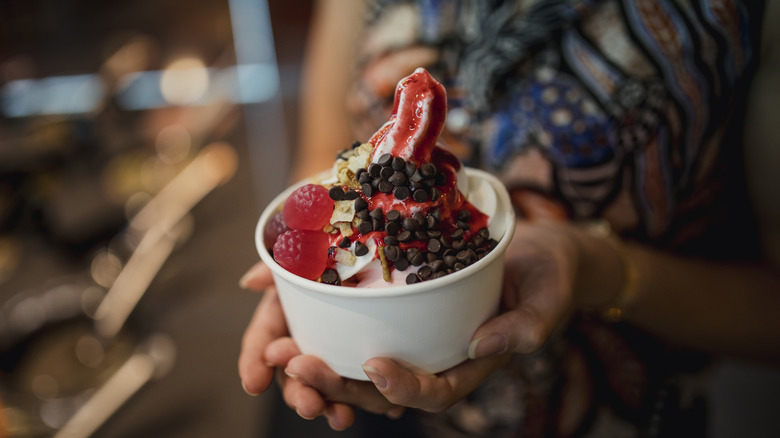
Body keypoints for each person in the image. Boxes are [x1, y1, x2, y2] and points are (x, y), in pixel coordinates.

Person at [239, 0, 780, 436]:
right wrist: (304, 278)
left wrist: (600, 269)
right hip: (348, 394)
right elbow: (324, 157)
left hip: (606, 413)